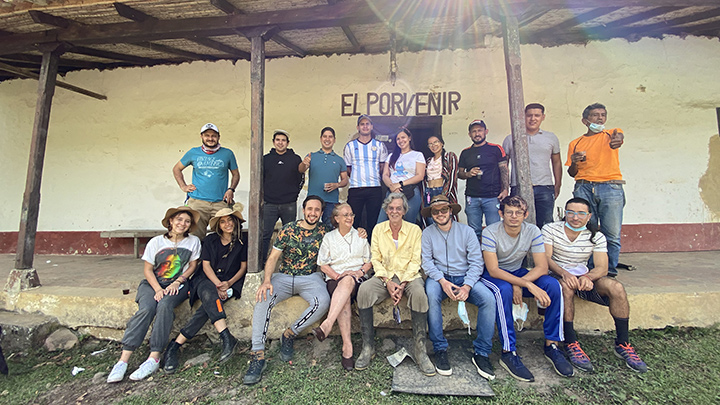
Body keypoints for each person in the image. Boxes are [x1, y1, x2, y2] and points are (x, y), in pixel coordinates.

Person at [542, 197, 647, 373]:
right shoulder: (551, 229)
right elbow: (546, 258)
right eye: (571, 212)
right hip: (558, 274)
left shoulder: (596, 236)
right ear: (564, 213)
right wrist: (565, 274)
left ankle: (623, 343)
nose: (575, 217)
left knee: (616, 287)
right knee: (565, 287)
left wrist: (588, 277)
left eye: (581, 213)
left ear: (589, 216)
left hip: (584, 276)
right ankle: (571, 342)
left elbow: (602, 267)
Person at [480, 196, 573, 382]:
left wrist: (519, 282)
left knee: (553, 285)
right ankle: (508, 351)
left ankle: (552, 345)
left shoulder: (532, 230)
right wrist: (526, 284)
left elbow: (541, 267)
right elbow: (493, 269)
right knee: (503, 291)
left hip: (518, 273)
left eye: (518, 213)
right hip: (493, 276)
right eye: (509, 212)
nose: (514, 217)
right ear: (501, 214)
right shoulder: (491, 231)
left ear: (526, 214)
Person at [243, 195, 331, 385]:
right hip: (283, 277)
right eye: (310, 209)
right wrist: (267, 280)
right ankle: (257, 354)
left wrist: (362, 232)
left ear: (321, 213)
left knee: (323, 301)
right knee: (263, 298)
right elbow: (273, 257)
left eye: (317, 210)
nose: (313, 213)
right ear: (303, 210)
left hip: (309, 277)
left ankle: (290, 333)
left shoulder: (325, 231)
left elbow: (344, 234)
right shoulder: (288, 229)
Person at [107, 207, 201, 383]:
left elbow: (192, 266)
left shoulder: (193, 242)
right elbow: (148, 269)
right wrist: (158, 289)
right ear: (171, 221)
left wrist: (178, 281)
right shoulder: (156, 242)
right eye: (179, 220)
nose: (183, 224)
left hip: (178, 284)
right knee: (147, 309)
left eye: (187, 221)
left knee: (165, 306)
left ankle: (154, 356)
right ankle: (123, 360)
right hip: (153, 284)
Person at [355, 193, 435, 376]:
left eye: (398, 208)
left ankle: (420, 350)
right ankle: (368, 347)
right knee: (364, 290)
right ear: (386, 210)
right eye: (391, 208)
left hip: (409, 276)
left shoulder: (415, 230)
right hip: (385, 276)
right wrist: (388, 282)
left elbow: (416, 260)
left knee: (420, 295)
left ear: (405, 210)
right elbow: (376, 259)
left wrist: (403, 282)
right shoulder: (378, 229)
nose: (394, 211)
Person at [163, 207, 248, 374]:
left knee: (206, 308)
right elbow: (206, 266)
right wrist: (218, 284)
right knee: (210, 293)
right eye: (223, 221)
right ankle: (226, 337)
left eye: (230, 220)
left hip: (231, 281)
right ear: (218, 225)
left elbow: (243, 267)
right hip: (207, 280)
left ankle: (176, 344)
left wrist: (228, 283)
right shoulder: (210, 240)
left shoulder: (243, 241)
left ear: (235, 222)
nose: (227, 224)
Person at [421, 195, 496, 380]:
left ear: (451, 211)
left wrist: (468, 286)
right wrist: (442, 281)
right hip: (439, 277)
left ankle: (482, 352)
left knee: (488, 299)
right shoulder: (427, 233)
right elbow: (427, 262)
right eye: (436, 211)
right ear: (431, 214)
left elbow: (477, 262)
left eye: (444, 210)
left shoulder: (467, 231)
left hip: (464, 277)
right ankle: (439, 348)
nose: (440, 214)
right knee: (430, 294)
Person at [566, 103, 625, 277]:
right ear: (585, 120)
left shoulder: (611, 134)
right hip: (583, 186)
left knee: (611, 233)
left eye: (603, 115)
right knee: (586, 230)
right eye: (594, 115)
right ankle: (589, 269)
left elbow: (618, 139)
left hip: (610, 186)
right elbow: (571, 172)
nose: (600, 118)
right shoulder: (575, 143)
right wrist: (575, 161)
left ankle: (609, 271)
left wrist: (618, 140)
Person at [312, 203, 372, 370]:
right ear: (336, 218)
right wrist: (339, 276)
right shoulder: (329, 238)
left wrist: (359, 272)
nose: (349, 217)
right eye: (345, 215)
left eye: (351, 214)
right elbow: (323, 265)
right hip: (335, 278)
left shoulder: (360, 235)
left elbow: (369, 261)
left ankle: (328, 324)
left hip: (358, 279)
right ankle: (347, 347)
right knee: (344, 291)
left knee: (348, 281)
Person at [172, 123, 240, 239]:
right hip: (198, 202)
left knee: (226, 234)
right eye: (207, 135)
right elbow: (177, 169)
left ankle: (220, 257)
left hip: (220, 202)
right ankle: (196, 258)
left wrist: (231, 189)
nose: (210, 138)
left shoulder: (227, 153)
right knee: (194, 236)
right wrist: (183, 186)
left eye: (213, 135)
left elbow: (236, 174)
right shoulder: (193, 152)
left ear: (218, 137)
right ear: (201, 136)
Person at [502, 103, 562, 230]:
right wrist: (505, 187)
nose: (533, 119)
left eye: (537, 115)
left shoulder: (551, 138)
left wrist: (557, 185)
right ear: (523, 117)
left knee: (546, 225)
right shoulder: (510, 138)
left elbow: (556, 162)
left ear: (543, 117)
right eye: (529, 115)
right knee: (518, 223)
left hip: (544, 187)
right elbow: (504, 166)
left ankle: (543, 250)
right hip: (517, 187)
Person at [458, 119, 509, 240]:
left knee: (493, 230)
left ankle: (493, 257)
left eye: (480, 130)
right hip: (472, 196)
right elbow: (459, 174)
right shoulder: (465, 152)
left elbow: (504, 170)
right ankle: (476, 258)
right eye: (474, 131)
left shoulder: (496, 149)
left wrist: (506, 189)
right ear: (469, 134)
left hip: (492, 196)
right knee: (473, 231)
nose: (477, 134)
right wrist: (468, 174)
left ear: (486, 131)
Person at [344, 114, 388, 241]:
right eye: (362, 124)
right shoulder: (350, 146)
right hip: (355, 188)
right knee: (353, 220)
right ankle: (354, 249)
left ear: (372, 127)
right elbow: (348, 168)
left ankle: (372, 250)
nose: (365, 126)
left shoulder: (379, 145)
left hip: (374, 188)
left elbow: (382, 166)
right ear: (358, 127)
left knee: (373, 221)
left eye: (367, 124)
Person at [262, 129, 304, 261]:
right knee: (265, 234)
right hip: (269, 204)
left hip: (289, 204)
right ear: (274, 142)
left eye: (283, 140)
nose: (280, 143)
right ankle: (261, 261)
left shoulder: (295, 159)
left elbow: (301, 179)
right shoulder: (265, 159)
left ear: (288, 143)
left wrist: (294, 195)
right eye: (278, 140)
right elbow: (260, 179)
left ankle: (289, 262)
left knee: (291, 235)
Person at [298, 127, 349, 226]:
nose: (327, 139)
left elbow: (345, 180)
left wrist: (336, 185)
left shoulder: (340, 160)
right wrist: (304, 164)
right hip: (313, 199)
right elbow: (301, 170)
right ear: (321, 138)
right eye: (325, 136)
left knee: (330, 227)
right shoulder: (311, 156)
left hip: (331, 201)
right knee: (311, 226)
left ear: (334, 140)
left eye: (330, 137)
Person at [377, 127, 426, 224]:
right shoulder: (391, 156)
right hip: (392, 192)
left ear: (409, 138)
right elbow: (385, 175)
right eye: (398, 139)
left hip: (410, 192)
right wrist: (392, 186)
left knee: (408, 224)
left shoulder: (417, 155)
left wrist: (399, 184)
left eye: (403, 137)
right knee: (382, 222)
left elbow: (420, 176)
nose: (401, 141)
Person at [423, 134, 458, 225]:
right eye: (430, 144)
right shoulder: (428, 161)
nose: (433, 145)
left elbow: (452, 177)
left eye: (436, 142)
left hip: (442, 191)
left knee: (446, 218)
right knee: (431, 218)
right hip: (429, 192)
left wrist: (445, 194)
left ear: (442, 143)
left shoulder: (449, 156)